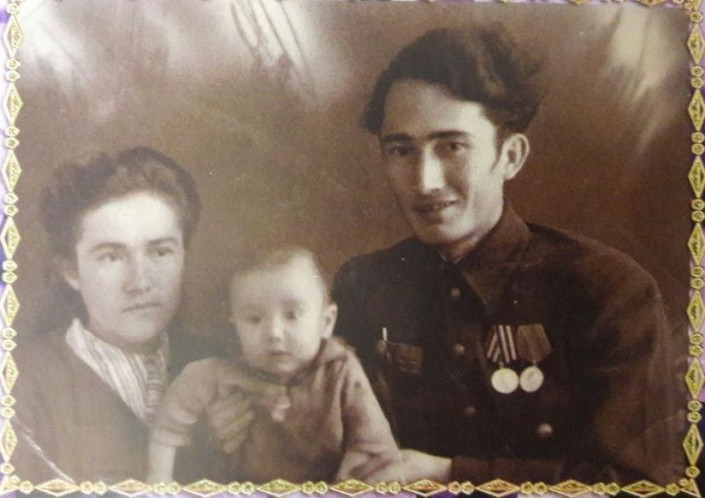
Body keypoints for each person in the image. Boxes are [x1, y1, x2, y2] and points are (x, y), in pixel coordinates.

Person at [330, 25, 685, 485]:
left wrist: (450, 474)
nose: (424, 181)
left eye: (452, 146)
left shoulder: (607, 292)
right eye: (401, 150)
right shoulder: (362, 286)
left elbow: (640, 485)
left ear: (512, 156)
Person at [11, 147, 216, 483]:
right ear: (71, 271)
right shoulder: (19, 383)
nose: (140, 282)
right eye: (111, 257)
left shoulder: (222, 362)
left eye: (160, 251)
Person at [147, 246, 399, 483]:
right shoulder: (217, 373)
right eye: (254, 318)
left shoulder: (340, 371)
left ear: (326, 322)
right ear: (235, 323)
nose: (274, 333)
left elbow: (373, 449)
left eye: (292, 315)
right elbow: (166, 430)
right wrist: (159, 482)